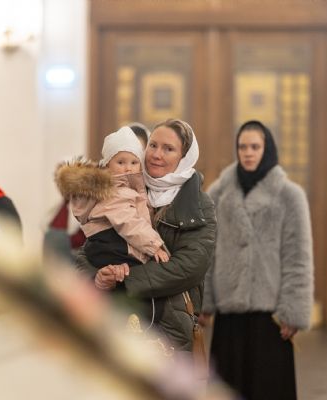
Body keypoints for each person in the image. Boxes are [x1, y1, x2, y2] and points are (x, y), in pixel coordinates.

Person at [75, 119, 217, 352]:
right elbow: (88, 249)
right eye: (153, 145)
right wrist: (99, 277)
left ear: (184, 157)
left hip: (166, 328)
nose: (157, 154)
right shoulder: (125, 187)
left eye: (168, 149)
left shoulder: (199, 204)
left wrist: (126, 279)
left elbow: (190, 266)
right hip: (114, 320)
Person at [200, 120, 313, 400]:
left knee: (268, 388)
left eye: (255, 147)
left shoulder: (290, 195)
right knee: (227, 389)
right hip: (229, 312)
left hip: (270, 315)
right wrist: (205, 301)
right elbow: (207, 251)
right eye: (243, 147)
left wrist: (293, 311)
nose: (248, 153)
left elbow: (298, 256)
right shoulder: (218, 194)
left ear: (267, 149)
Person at [56, 126, 169, 273]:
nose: (128, 168)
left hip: (107, 247)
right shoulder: (116, 192)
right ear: (107, 165)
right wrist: (154, 246)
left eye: (134, 162)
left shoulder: (124, 188)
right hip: (114, 247)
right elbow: (129, 223)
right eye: (121, 162)